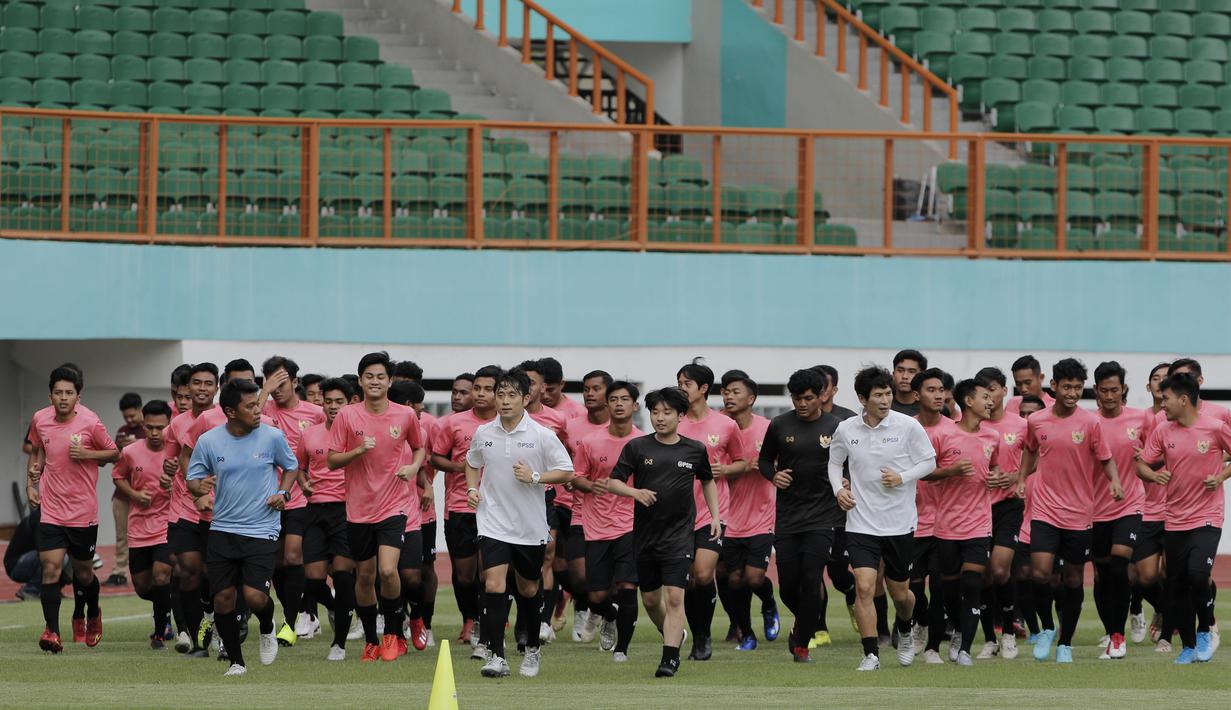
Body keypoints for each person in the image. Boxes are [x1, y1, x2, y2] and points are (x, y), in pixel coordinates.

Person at [464, 368, 575, 679]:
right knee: (494, 584)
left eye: (512, 395)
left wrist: (535, 477)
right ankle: (497, 656)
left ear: (526, 398)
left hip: (529, 526)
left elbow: (567, 472)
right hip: (492, 522)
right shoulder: (484, 433)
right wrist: (473, 489)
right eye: (500, 394)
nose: (504, 400)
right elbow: (471, 463)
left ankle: (532, 649)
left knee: (528, 588)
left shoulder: (542, 435)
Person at [187, 379, 301, 677]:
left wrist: (284, 493)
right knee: (223, 597)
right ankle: (237, 662)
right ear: (230, 411)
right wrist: (201, 487)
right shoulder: (209, 441)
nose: (258, 410)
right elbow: (193, 480)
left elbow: (291, 466)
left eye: (257, 404)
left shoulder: (272, 437)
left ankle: (267, 624)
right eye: (250, 406)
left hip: (262, 528)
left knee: (254, 596)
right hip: (222, 529)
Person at [828, 366, 936, 671]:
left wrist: (903, 477)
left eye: (888, 393)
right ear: (863, 398)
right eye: (879, 395)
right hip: (861, 523)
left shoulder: (907, 426)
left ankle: (905, 628)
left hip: (900, 524)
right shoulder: (847, 429)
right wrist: (839, 489)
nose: (886, 399)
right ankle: (871, 654)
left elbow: (929, 462)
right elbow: (835, 464)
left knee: (901, 594)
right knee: (864, 586)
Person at [607, 386, 720, 678]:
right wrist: (635, 492)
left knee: (674, 598)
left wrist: (715, 516)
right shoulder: (637, 447)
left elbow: (707, 481)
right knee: (649, 600)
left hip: (680, 536)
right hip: (645, 537)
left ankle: (669, 659)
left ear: (681, 415)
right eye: (655, 412)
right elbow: (613, 482)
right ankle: (673, 634)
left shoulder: (695, 449)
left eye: (667, 412)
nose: (660, 417)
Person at [1020, 358, 1124, 664]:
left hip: (1080, 514)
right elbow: (1029, 450)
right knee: (1039, 574)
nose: (1073, 393)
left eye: (1078, 387)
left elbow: (1106, 458)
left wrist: (1115, 482)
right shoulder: (1036, 420)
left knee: (1073, 580)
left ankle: (1065, 643)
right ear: (1054, 386)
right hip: (1045, 511)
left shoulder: (1091, 422)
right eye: (1067, 386)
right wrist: (1020, 480)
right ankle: (1048, 628)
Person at [326, 351, 426, 662]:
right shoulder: (348, 416)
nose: (375, 381)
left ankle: (393, 634)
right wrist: (357, 451)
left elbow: (420, 447)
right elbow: (331, 460)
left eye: (381, 376)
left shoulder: (404, 415)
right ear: (360, 381)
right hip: (358, 510)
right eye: (369, 376)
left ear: (389, 381)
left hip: (394, 506)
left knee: (388, 570)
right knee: (366, 577)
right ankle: (371, 639)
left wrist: (413, 468)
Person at [1137, 373, 1231, 664]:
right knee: (1176, 584)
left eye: (1165, 398)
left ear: (1184, 399)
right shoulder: (1163, 431)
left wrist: (1222, 475)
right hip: (1174, 518)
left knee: (1198, 575)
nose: (1161, 403)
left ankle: (1205, 630)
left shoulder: (1216, 428)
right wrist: (1154, 474)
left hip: (1207, 515)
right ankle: (1188, 646)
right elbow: (1141, 463)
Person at [28, 365, 119, 653]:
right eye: (58, 392)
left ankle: (93, 611)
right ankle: (52, 631)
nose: (63, 397)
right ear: (50, 395)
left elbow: (114, 453)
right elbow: (37, 450)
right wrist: (32, 482)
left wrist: (88, 454)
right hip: (51, 510)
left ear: (78, 396)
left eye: (69, 393)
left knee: (83, 574)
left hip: (82, 512)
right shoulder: (40, 419)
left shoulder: (91, 422)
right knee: (50, 569)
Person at [757, 368, 841, 663]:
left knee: (811, 579)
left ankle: (802, 645)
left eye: (807, 398)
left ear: (821, 396)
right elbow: (765, 460)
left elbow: (851, 464)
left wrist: (846, 485)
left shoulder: (837, 426)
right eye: (796, 398)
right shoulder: (779, 425)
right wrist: (774, 476)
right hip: (788, 518)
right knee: (789, 586)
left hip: (822, 517)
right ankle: (803, 623)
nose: (802, 404)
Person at [927, 378, 1004, 666]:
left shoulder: (992, 437)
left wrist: (996, 477)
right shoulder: (944, 436)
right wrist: (950, 471)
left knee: (972, 585)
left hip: (979, 525)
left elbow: (994, 469)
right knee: (949, 590)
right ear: (968, 401)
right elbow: (925, 474)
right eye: (985, 396)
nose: (990, 401)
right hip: (947, 525)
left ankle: (965, 650)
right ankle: (956, 630)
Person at [675, 359, 747, 661]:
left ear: (704, 389)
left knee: (704, 574)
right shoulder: (673, 422)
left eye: (687, 384)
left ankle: (703, 639)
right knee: (689, 579)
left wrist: (724, 470)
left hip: (713, 513)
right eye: (679, 384)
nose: (681, 389)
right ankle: (696, 635)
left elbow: (743, 463)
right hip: (678, 514)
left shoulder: (726, 425)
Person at [571, 381, 643, 661]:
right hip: (596, 526)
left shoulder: (643, 443)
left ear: (635, 405)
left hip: (630, 526)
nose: (619, 404)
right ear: (607, 404)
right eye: (613, 399)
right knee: (597, 597)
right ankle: (609, 617)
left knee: (627, 587)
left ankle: (622, 649)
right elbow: (575, 477)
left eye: (625, 399)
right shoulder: (591, 442)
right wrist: (591, 486)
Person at [431, 365, 499, 654]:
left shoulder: (506, 423)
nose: (480, 394)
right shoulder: (452, 423)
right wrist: (459, 467)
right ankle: (470, 616)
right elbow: (436, 457)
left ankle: (485, 624)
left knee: (489, 575)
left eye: (486, 389)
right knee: (464, 575)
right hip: (459, 507)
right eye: (477, 389)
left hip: (496, 510)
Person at [258, 356, 325, 647]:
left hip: (298, 498)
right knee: (274, 563)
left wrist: (312, 480)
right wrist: (264, 391)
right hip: (263, 499)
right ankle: (289, 615)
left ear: (296, 382)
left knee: (294, 556)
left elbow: (324, 446)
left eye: (282, 383)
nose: (277, 390)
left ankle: (298, 617)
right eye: (272, 384)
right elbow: (247, 421)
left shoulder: (314, 413)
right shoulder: (262, 408)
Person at [1090, 361, 1152, 660]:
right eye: (1104, 390)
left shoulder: (1141, 419)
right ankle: (1112, 630)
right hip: (1094, 509)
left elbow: (1159, 455)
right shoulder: (1088, 423)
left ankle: (1119, 635)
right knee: (1102, 574)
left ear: (1124, 389)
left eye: (1115, 389)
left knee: (1118, 565)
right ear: (1096, 391)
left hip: (1130, 504)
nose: (1110, 395)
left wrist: (1151, 463)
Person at [162, 362, 221, 658]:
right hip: (184, 508)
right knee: (188, 572)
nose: (201, 389)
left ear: (217, 388)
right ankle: (197, 638)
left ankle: (214, 626)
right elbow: (171, 460)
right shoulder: (177, 423)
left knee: (213, 575)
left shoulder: (226, 419)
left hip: (220, 510)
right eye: (196, 383)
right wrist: (172, 473)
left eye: (208, 383)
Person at [298, 377, 359, 661]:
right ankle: (334, 606)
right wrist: (303, 483)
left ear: (350, 403)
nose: (333, 407)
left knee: (345, 578)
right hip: (315, 511)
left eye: (339, 402)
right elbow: (298, 467)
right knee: (312, 580)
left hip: (347, 511)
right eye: (328, 401)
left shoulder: (358, 435)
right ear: (321, 402)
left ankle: (339, 643)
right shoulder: (309, 434)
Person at [720, 369, 779, 651]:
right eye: (726, 392)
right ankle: (747, 633)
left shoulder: (768, 428)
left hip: (762, 515)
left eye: (735, 392)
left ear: (751, 398)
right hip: (727, 517)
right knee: (734, 579)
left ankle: (769, 604)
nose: (729, 397)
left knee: (754, 577)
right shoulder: (718, 429)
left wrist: (767, 466)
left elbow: (783, 465)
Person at [973, 367, 1027, 660]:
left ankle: (1008, 632)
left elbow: (1035, 459)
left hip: (1008, 507)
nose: (989, 396)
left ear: (1005, 391)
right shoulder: (971, 426)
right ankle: (989, 638)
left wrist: (1015, 477)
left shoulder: (1020, 425)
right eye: (983, 392)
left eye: (993, 389)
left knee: (1000, 569)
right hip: (978, 507)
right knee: (981, 575)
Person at [112, 400, 175, 649]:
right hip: (138, 528)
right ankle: (169, 601)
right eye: (150, 427)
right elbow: (117, 476)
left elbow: (194, 481)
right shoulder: (131, 452)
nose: (156, 433)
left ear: (170, 425)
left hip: (167, 524)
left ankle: (159, 633)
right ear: (142, 424)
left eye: (161, 427)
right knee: (142, 586)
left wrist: (175, 486)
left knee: (161, 575)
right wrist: (135, 495)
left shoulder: (177, 452)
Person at [559, 370, 615, 642]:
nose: (589, 393)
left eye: (596, 389)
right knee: (580, 577)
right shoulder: (572, 427)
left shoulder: (620, 428)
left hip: (618, 517)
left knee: (616, 581)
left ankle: (607, 616)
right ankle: (598, 608)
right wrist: (572, 480)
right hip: (581, 513)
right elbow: (564, 463)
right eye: (586, 388)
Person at [386, 380, 434, 655]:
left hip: (410, 515)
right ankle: (395, 633)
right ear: (406, 406)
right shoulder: (380, 431)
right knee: (387, 575)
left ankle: (416, 618)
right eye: (418, 404)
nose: (422, 408)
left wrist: (425, 486)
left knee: (412, 577)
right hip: (380, 515)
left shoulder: (421, 434)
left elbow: (422, 468)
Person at [1133, 363, 1174, 647]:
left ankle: (1172, 630)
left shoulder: (1181, 420)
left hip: (1174, 508)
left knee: (1170, 574)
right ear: (1148, 387)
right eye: (1155, 379)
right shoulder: (1139, 419)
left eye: (1166, 378)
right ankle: (1162, 608)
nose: (1161, 383)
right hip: (1145, 507)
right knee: (1144, 577)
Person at [106, 391, 146, 588]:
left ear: (140, 409)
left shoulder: (151, 428)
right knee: (122, 534)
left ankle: (147, 570)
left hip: (146, 493)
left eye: (132, 415)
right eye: (126, 416)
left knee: (146, 534)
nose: (129, 420)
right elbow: (115, 458)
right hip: (122, 493)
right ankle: (120, 571)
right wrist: (119, 448)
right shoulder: (122, 431)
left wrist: (138, 444)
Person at [890, 350, 928, 416]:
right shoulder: (883, 406)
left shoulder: (928, 408)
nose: (905, 376)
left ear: (922, 377)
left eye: (911, 372)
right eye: (900, 371)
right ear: (893, 374)